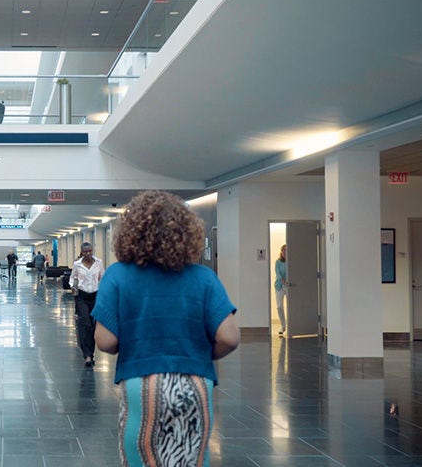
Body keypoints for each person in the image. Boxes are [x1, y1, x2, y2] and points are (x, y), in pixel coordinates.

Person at [92, 190, 239, 466]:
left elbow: (105, 341)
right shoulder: (204, 278)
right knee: (192, 456)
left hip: (141, 381)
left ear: (131, 231)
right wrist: (201, 352)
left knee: (141, 457)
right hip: (195, 381)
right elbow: (229, 337)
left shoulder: (118, 276)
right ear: (187, 232)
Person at [70, 242, 104, 367]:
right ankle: (87, 356)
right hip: (82, 297)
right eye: (85, 252)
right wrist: (73, 288)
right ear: (82, 252)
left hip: (95, 296)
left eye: (90, 251)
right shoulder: (77, 265)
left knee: (94, 326)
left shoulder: (98, 263)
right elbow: (72, 278)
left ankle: (91, 353)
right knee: (85, 324)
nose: (88, 254)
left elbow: (102, 277)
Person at [274, 244, 288, 336]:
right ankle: (283, 326)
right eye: (283, 250)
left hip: (289, 286)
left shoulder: (291, 261)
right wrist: (283, 281)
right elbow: (278, 273)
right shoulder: (278, 262)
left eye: (286, 250)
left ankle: (292, 326)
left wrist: (287, 283)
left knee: (291, 306)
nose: (284, 252)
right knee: (279, 306)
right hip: (279, 286)